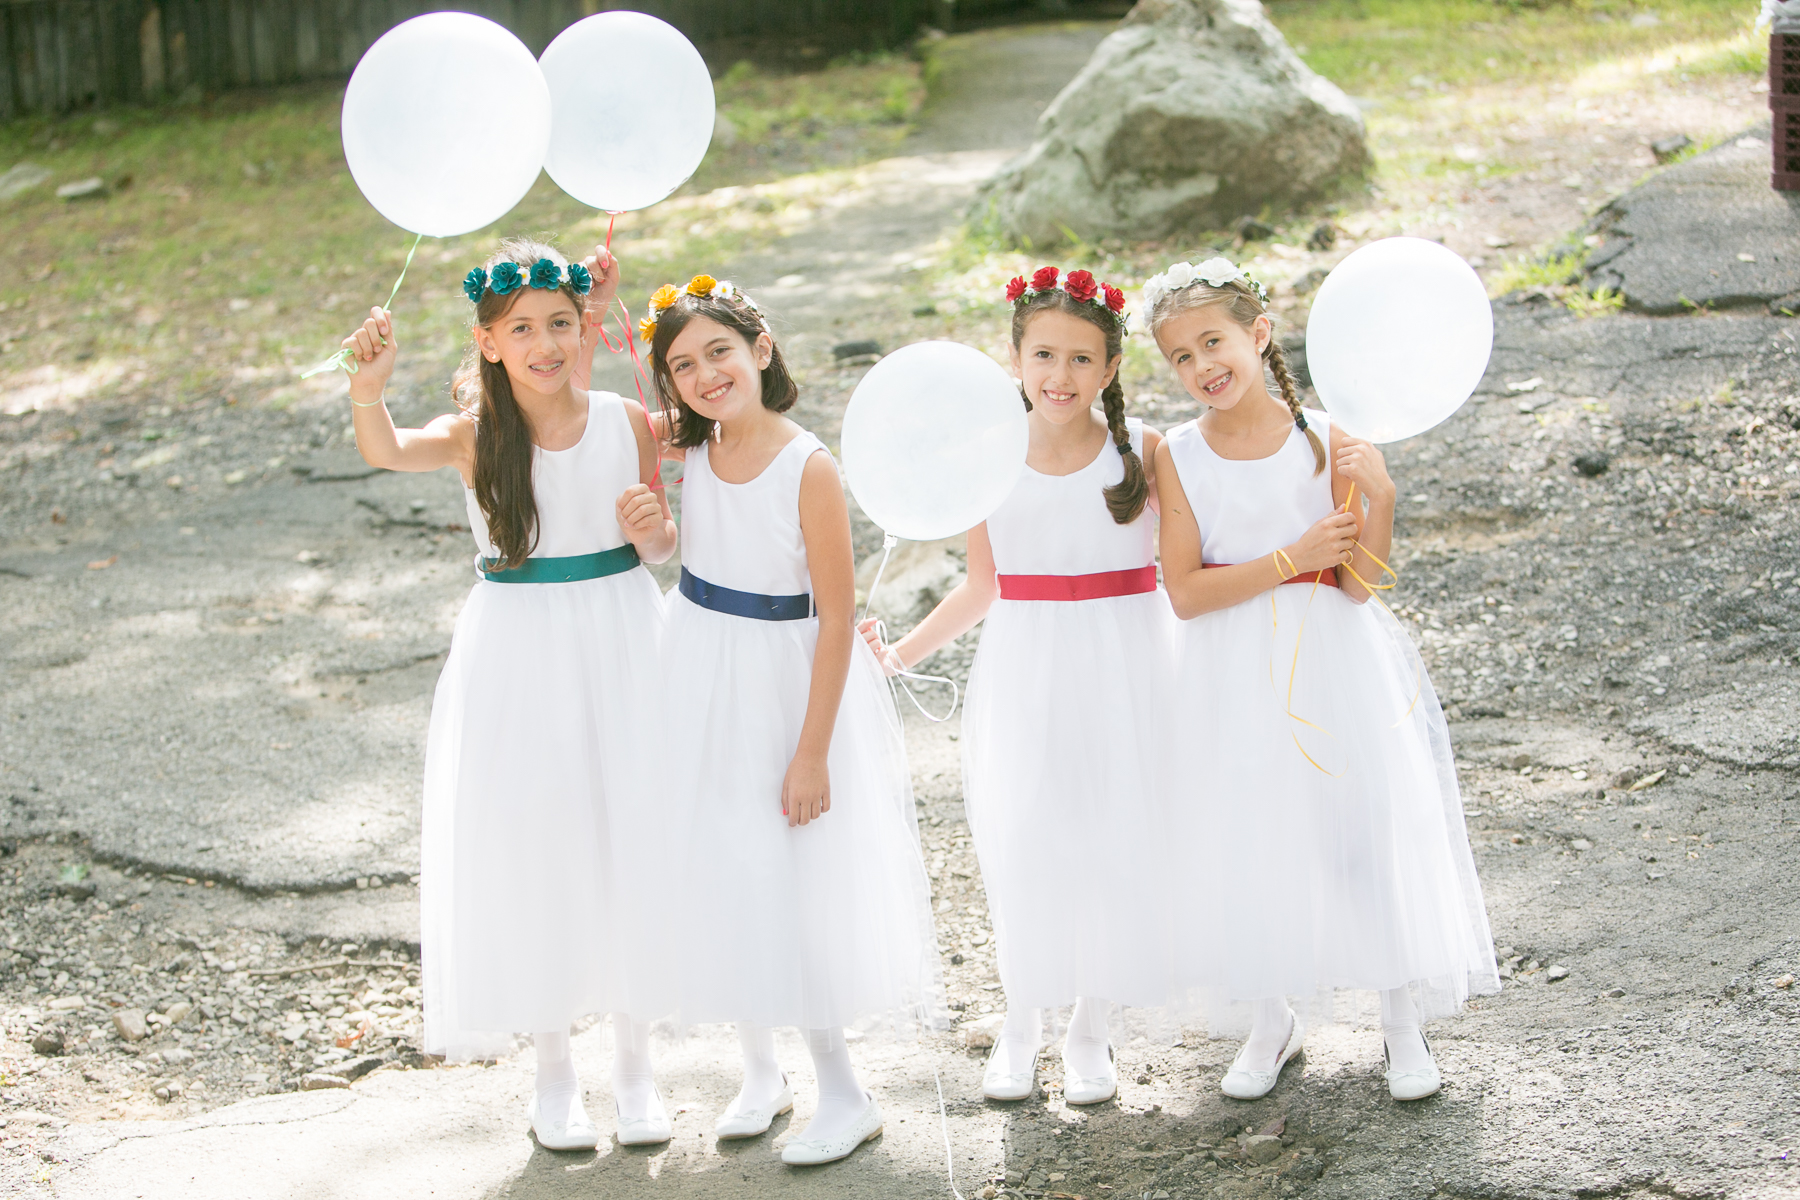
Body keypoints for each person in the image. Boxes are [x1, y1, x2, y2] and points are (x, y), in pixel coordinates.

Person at [338, 238, 679, 1150]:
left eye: (561, 323)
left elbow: (660, 550)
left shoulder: (624, 420)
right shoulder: (470, 436)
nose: (545, 342)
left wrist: (654, 534)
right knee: (539, 842)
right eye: (521, 328)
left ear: (587, 327)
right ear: (488, 342)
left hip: (620, 633)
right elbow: (383, 447)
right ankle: (555, 1071)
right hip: (518, 649)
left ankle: (638, 1067)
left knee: (629, 834)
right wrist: (370, 383)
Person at [1146, 256, 1498, 1103]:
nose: (1202, 368)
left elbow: (1360, 581)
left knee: (1358, 833)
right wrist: (1286, 557)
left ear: (1260, 334)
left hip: (1332, 658)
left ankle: (1399, 1016)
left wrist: (1379, 498)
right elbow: (1188, 593)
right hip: (1228, 667)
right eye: (1182, 357)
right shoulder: (1179, 455)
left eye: (1215, 342)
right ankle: (1273, 1019)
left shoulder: (1326, 437)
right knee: (1247, 834)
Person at [643, 274, 943, 1164]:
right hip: (700, 665)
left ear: (761, 352)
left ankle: (844, 1091)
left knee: (792, 875)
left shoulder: (807, 465)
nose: (705, 375)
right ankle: (759, 1069)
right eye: (683, 365)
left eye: (720, 353)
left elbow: (838, 613)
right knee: (725, 862)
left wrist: (812, 752)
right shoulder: (696, 449)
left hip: (782, 682)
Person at [862, 266, 1179, 1106]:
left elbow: (1191, 559)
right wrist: (899, 654)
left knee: (1112, 834)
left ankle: (1090, 1028)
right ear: (1013, 358)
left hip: (1129, 658)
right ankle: (1022, 1018)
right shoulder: (991, 456)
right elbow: (980, 585)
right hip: (1028, 662)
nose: (1060, 376)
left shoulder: (1141, 453)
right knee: (1029, 836)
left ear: (1110, 369)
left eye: (1081, 359)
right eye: (1044, 355)